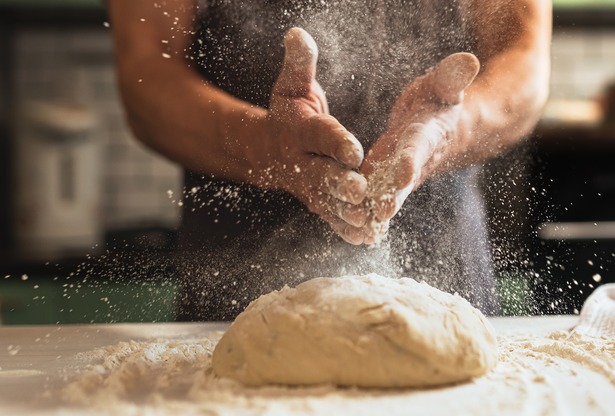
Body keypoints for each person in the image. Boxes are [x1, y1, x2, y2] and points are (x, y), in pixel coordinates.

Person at [107, 0, 551, 320]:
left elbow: (524, 62)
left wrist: (448, 129)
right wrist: (267, 148)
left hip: (445, 276)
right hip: (235, 291)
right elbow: (147, 74)